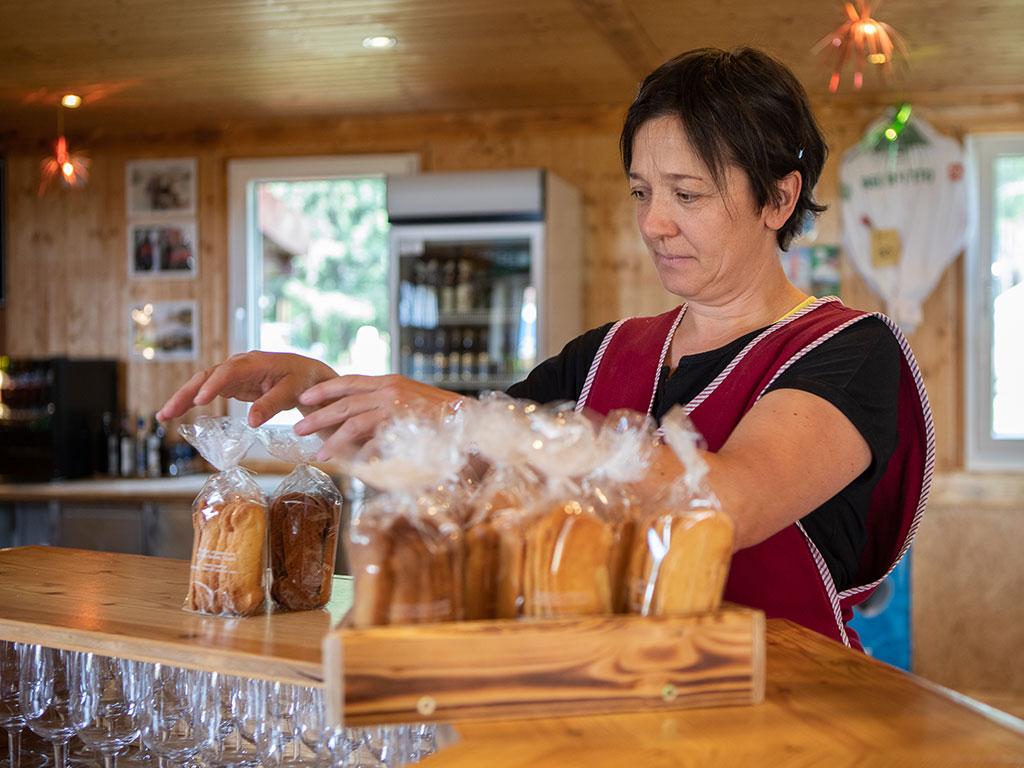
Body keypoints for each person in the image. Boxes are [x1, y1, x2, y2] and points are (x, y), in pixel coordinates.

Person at [158, 47, 931, 649]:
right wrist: (330, 393)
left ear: (780, 197)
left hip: (774, 719)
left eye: (686, 194)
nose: (654, 222)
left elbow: (727, 504)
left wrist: (459, 415)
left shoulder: (848, 351)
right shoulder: (607, 355)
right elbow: (463, 464)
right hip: (595, 704)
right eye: (641, 192)